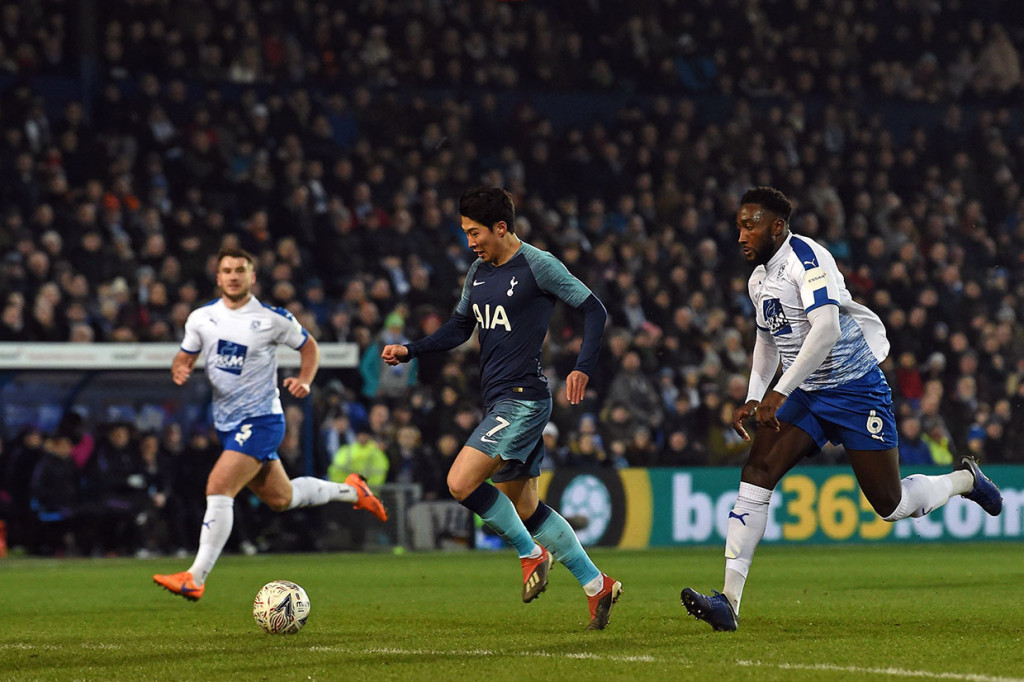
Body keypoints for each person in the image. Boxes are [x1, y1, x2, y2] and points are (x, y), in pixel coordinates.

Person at [680, 187, 1002, 632]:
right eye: (738, 224)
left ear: (777, 226)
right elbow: (767, 340)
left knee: (891, 505)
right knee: (757, 473)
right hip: (808, 394)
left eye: (750, 224)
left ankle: (966, 479)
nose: (740, 234)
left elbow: (827, 329)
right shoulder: (759, 279)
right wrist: (756, 394)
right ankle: (728, 603)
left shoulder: (807, 259)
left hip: (856, 391)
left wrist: (780, 391)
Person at [381, 187, 622, 630]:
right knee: (525, 509)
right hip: (499, 399)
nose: (470, 242)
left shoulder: (538, 265)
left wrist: (582, 366)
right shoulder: (477, 271)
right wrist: (411, 350)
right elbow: (458, 328)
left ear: (501, 227)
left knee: (460, 482)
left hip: (523, 399)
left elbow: (594, 309)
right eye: (465, 234)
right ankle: (597, 585)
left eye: (475, 233)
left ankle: (532, 555)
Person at [153, 247, 387, 601]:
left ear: (252, 276)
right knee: (283, 498)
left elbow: (309, 348)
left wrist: (305, 381)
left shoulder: (271, 318)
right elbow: (184, 356)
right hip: (229, 425)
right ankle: (354, 491)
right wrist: (180, 367)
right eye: (227, 270)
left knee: (218, 486)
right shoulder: (201, 318)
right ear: (218, 277)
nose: (233, 276)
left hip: (262, 419)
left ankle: (194, 577)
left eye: (240, 270)